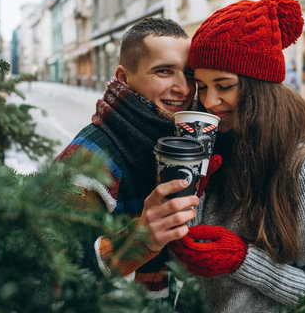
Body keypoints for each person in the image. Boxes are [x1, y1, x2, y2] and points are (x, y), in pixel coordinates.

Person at [168, 0, 305, 312]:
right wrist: (190, 188)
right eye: (201, 85)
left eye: (224, 86)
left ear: (258, 84)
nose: (210, 101)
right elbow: (192, 259)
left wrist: (244, 260)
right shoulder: (214, 143)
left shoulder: (303, 167)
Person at [56, 17, 198, 299]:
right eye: (164, 71)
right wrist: (140, 240)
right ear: (124, 77)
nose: (183, 88)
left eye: (189, 73)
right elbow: (53, 271)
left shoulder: (182, 144)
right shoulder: (86, 159)